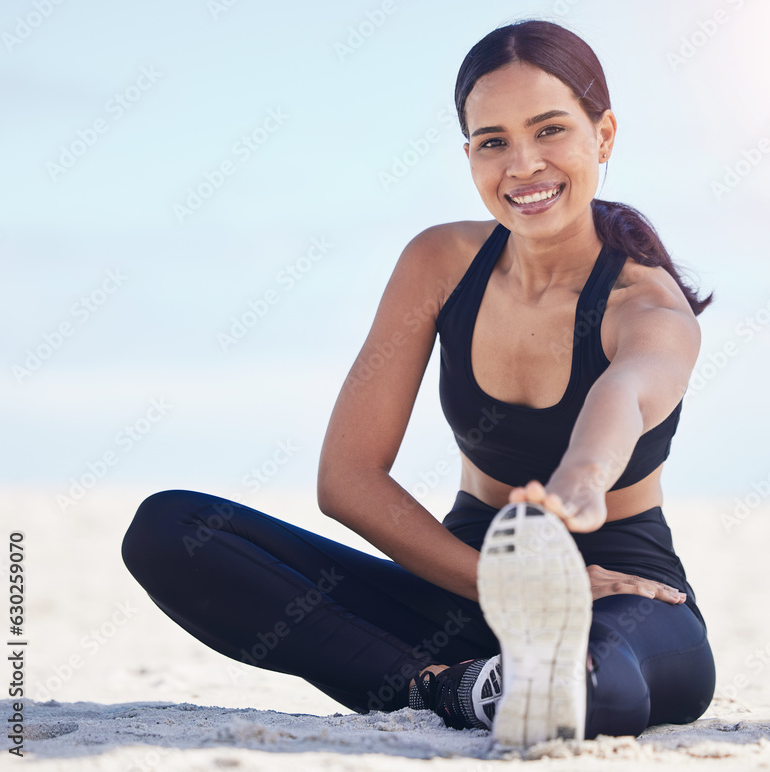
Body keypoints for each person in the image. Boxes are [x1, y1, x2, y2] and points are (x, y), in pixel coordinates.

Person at [121, 18, 716, 745]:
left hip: (620, 596)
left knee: (596, 679)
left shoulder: (649, 308)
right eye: (493, 141)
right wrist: (504, 587)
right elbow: (347, 480)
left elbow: (623, 398)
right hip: (459, 581)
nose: (523, 164)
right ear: (469, 154)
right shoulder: (441, 262)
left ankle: (479, 683)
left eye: (551, 129)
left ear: (605, 135)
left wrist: (578, 488)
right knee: (170, 530)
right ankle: (453, 687)